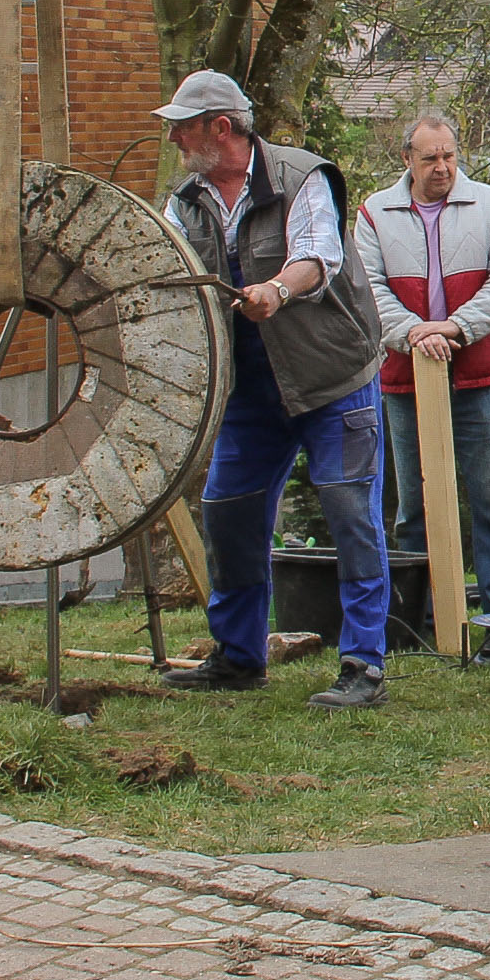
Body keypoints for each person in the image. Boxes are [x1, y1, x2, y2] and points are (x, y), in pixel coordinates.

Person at [154, 70, 392, 709]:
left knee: (350, 516)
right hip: (250, 389)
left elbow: (319, 257)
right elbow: (166, 269)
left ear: (220, 128)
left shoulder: (302, 178)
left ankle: (363, 665)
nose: (173, 136)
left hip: (329, 378)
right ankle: (238, 657)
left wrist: (277, 290)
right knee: (227, 514)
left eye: (182, 125)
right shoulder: (186, 199)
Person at [353, 113, 490, 645]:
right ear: (406, 159)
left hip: (479, 375)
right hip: (407, 379)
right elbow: (366, 290)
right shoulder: (374, 213)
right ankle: (416, 622)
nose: (442, 167)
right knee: (416, 505)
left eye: (449, 155)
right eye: (430, 158)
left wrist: (455, 327)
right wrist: (415, 335)